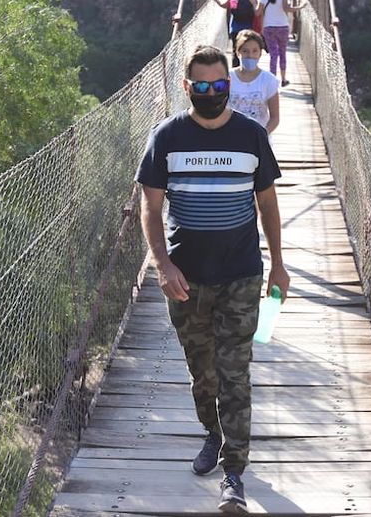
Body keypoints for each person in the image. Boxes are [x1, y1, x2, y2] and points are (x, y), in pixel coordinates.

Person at [136, 45, 290, 513]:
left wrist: (279, 263)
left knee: (234, 374)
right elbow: (150, 206)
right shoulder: (166, 137)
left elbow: (267, 203)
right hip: (186, 278)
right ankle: (212, 433)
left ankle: (234, 473)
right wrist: (162, 265)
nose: (210, 93)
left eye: (218, 86)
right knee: (202, 373)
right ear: (187, 88)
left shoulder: (251, 136)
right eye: (200, 87)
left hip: (241, 274)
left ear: (230, 86)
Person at [228, 30, 280, 134]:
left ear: (260, 53)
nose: (250, 55)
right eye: (245, 51)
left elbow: (275, 117)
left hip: (258, 139)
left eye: (254, 51)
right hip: (231, 137)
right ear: (238, 53)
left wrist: (262, 134)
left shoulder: (268, 80)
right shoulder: (227, 77)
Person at [256, 0, 299, 87]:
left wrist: (251, 2)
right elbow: (287, 9)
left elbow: (257, 13)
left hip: (268, 28)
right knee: (282, 53)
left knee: (273, 54)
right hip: (283, 27)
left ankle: (272, 80)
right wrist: (300, 7)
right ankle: (283, 79)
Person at [212, 0, 257, 67]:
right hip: (248, 28)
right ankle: (247, 69)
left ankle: (235, 71)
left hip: (235, 27)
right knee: (247, 50)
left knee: (235, 50)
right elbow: (257, 11)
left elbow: (226, 6)